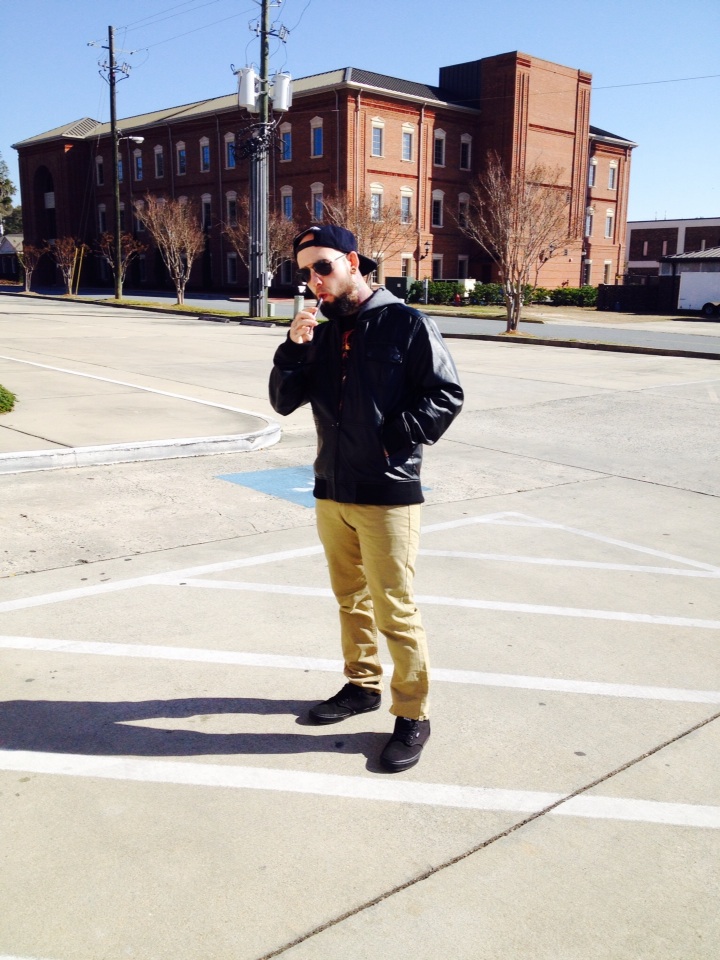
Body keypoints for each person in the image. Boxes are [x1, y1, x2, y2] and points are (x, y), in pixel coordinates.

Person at [269, 225, 463, 772]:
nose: (315, 281)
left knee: (394, 608)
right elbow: (283, 402)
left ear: (353, 262)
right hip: (332, 490)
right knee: (349, 599)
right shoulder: (321, 331)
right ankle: (361, 685)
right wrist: (293, 349)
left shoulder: (406, 323)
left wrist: (386, 440)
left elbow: (446, 395)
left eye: (323, 267)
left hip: (387, 493)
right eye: (306, 272)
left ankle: (413, 713)